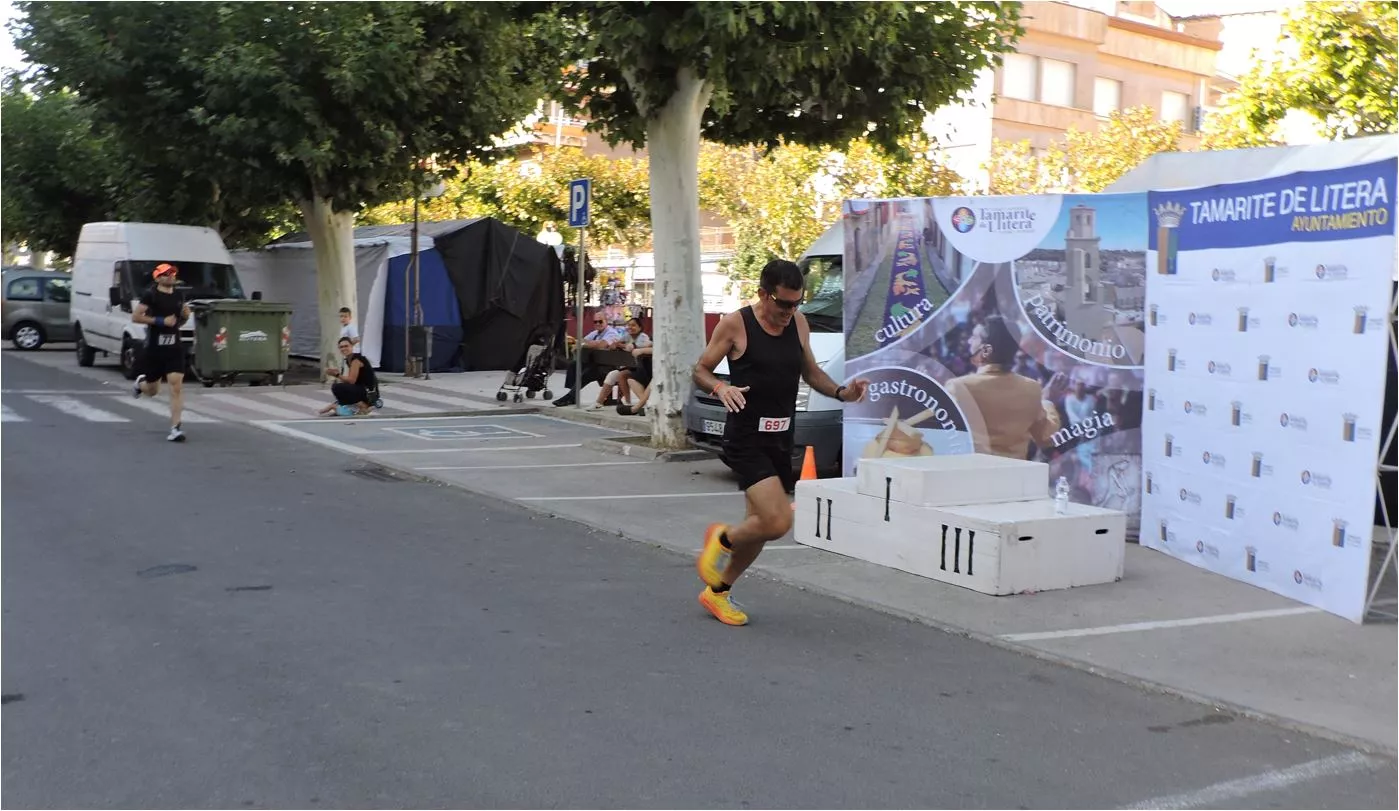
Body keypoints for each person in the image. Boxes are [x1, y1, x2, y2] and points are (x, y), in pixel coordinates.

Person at [691, 259, 869, 626]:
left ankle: (718, 593)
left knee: (756, 528)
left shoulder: (799, 323)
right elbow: (700, 370)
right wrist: (721, 387)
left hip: (780, 436)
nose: (790, 311)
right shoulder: (736, 324)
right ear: (762, 293)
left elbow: (811, 372)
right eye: (783, 303)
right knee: (775, 522)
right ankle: (722, 539)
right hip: (746, 437)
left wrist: (841, 392)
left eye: (797, 303)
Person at [944, 315, 1066, 460]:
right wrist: (1047, 402)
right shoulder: (1031, 389)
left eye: (975, 337)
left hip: (971, 475)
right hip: (1013, 477)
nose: (970, 341)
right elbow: (1046, 438)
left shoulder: (957, 387)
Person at [131, 262, 192, 442]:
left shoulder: (180, 295)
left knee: (176, 385)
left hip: (174, 347)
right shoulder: (151, 294)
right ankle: (140, 383)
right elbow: (136, 316)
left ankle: (176, 428)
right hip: (154, 349)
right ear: (157, 277)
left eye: (173, 272)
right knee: (152, 390)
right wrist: (160, 321)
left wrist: (185, 316)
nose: (171, 275)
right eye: (166, 273)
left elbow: (179, 319)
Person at [553, 314, 625, 406]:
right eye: (595, 322)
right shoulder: (595, 333)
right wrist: (589, 343)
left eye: (600, 321)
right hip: (597, 363)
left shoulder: (611, 333)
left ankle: (570, 396)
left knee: (588, 372)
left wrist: (586, 344)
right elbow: (580, 340)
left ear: (606, 321)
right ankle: (572, 394)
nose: (598, 323)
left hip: (611, 366)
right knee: (574, 365)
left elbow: (601, 345)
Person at [592, 318, 651, 409]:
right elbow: (616, 344)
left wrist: (622, 345)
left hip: (642, 369)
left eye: (633, 325)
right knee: (612, 375)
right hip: (631, 366)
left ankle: (628, 402)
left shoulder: (643, 337)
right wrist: (617, 345)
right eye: (629, 325)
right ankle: (598, 403)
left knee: (622, 375)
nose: (630, 327)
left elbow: (633, 347)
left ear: (640, 327)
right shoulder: (627, 336)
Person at [319, 337, 380, 416]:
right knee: (342, 387)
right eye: (341, 347)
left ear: (351, 346)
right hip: (365, 390)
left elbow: (351, 380)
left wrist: (336, 375)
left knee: (336, 387)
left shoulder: (356, 360)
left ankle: (363, 406)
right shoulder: (349, 359)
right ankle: (349, 407)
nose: (344, 348)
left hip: (369, 393)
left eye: (346, 346)